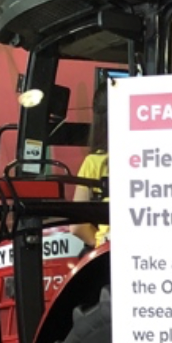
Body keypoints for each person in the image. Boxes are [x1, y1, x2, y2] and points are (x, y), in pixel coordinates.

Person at [70, 85, 109, 249]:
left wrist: (100, 243)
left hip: (110, 250)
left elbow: (77, 226)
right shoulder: (157, 156)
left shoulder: (95, 162)